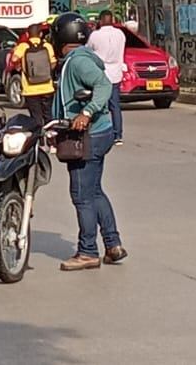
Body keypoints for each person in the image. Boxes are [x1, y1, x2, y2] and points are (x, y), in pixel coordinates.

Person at [51, 13, 123, 272]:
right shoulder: (78, 58)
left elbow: (103, 85)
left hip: (88, 135)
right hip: (101, 133)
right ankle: (113, 244)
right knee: (94, 191)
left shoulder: (78, 61)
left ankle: (88, 251)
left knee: (81, 195)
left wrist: (86, 112)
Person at [87, 10, 128, 146]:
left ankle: (99, 132)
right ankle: (118, 135)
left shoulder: (95, 35)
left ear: (100, 20)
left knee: (98, 104)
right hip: (115, 73)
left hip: (100, 74)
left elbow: (88, 51)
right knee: (115, 106)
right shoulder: (120, 34)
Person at [12, 22, 56, 122]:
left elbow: (14, 59)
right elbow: (53, 63)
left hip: (30, 88)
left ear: (27, 35)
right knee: (48, 116)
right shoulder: (47, 46)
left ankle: (38, 135)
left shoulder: (23, 46)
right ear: (41, 34)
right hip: (47, 87)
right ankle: (50, 135)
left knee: (36, 118)